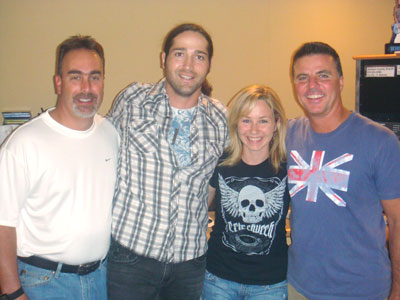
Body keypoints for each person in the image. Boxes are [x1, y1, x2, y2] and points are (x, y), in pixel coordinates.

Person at [106, 23, 228, 300]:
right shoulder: (132, 100)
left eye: (199, 56)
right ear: (163, 59)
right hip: (130, 259)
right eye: (179, 53)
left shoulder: (221, 119)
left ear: (209, 65)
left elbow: (228, 175)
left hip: (190, 264)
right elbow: (99, 151)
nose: (188, 65)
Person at [0, 35, 119, 300]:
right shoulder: (24, 143)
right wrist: (13, 293)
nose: (86, 88)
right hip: (43, 283)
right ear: (58, 82)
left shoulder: (111, 134)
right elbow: (2, 225)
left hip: (102, 278)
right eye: (75, 77)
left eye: (95, 77)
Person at [286, 41, 400, 300]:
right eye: (302, 77)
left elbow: (397, 221)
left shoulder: (380, 141)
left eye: (322, 75)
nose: (312, 85)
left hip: (362, 290)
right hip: (298, 287)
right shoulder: (289, 134)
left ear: (341, 81)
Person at [202, 85, 290, 300]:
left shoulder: (289, 168)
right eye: (246, 120)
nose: (254, 130)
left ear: (276, 124)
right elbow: (197, 208)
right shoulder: (220, 163)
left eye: (263, 120)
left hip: (270, 284)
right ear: (235, 124)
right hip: (218, 279)